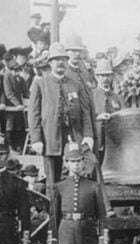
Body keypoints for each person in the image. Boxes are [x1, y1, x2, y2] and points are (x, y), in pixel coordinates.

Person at [28, 42, 94, 193]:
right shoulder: (41, 84)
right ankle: (54, 214)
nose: (60, 63)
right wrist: (36, 139)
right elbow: (34, 114)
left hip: (74, 136)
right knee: (53, 179)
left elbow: (85, 112)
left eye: (63, 59)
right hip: (50, 137)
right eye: (56, 59)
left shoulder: (76, 84)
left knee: (91, 165)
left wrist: (88, 135)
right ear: (50, 63)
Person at [93, 59, 124, 160]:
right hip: (97, 139)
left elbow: (123, 115)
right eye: (102, 75)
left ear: (111, 77)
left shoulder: (117, 97)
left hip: (113, 141)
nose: (105, 78)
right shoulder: (91, 95)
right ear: (96, 77)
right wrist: (98, 117)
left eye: (107, 75)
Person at [3, 60, 28, 154]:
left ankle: (18, 147)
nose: (17, 72)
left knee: (19, 126)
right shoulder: (7, 76)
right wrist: (18, 104)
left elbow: (26, 92)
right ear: (10, 70)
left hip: (19, 107)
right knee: (10, 126)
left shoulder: (20, 78)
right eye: (15, 70)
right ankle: (10, 147)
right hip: (10, 106)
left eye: (18, 70)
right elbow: (8, 93)